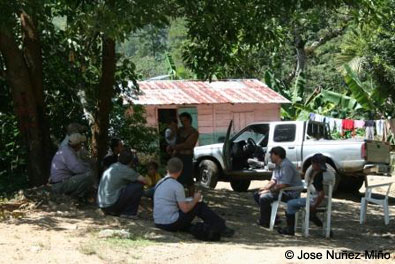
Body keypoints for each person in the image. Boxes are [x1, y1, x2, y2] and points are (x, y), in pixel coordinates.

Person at [153, 157, 234, 237]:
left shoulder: (159, 182)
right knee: (199, 205)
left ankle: (197, 227)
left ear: (167, 168)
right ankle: (221, 227)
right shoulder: (177, 186)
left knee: (191, 206)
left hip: (158, 222)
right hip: (170, 223)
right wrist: (196, 199)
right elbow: (185, 209)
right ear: (180, 171)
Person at [278, 153, 335, 236]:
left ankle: (290, 229)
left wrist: (314, 206)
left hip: (316, 200)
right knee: (310, 213)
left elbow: (321, 194)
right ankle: (324, 227)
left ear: (314, 163)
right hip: (326, 201)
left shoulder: (319, 176)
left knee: (290, 204)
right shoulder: (327, 174)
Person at [253, 146, 303, 228]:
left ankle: (265, 221)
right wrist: (265, 188)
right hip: (281, 191)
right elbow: (273, 180)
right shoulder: (277, 165)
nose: (270, 157)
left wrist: (269, 191)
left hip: (290, 193)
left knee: (264, 197)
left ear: (277, 155)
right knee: (257, 194)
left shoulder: (286, 166)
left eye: (271, 154)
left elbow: (285, 184)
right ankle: (273, 218)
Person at [97, 149, 147, 219]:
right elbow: (144, 181)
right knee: (138, 186)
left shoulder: (113, 165)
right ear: (131, 161)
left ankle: (116, 210)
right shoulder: (126, 170)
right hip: (110, 205)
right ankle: (129, 213)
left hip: (102, 204)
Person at [49, 133, 95, 201]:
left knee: (87, 174)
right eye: (81, 144)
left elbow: (79, 164)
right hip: (60, 185)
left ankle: (76, 196)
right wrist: (88, 169)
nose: (81, 146)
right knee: (89, 175)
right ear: (77, 145)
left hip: (60, 183)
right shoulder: (68, 152)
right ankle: (74, 197)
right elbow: (78, 169)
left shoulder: (67, 150)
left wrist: (86, 166)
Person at [167, 112, 199, 196]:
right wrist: (172, 128)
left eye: (184, 120)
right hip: (177, 156)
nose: (183, 123)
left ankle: (191, 198)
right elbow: (171, 138)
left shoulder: (194, 132)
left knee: (189, 180)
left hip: (187, 157)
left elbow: (188, 145)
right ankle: (177, 197)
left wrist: (174, 147)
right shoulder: (179, 130)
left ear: (189, 120)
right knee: (175, 178)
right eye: (181, 121)